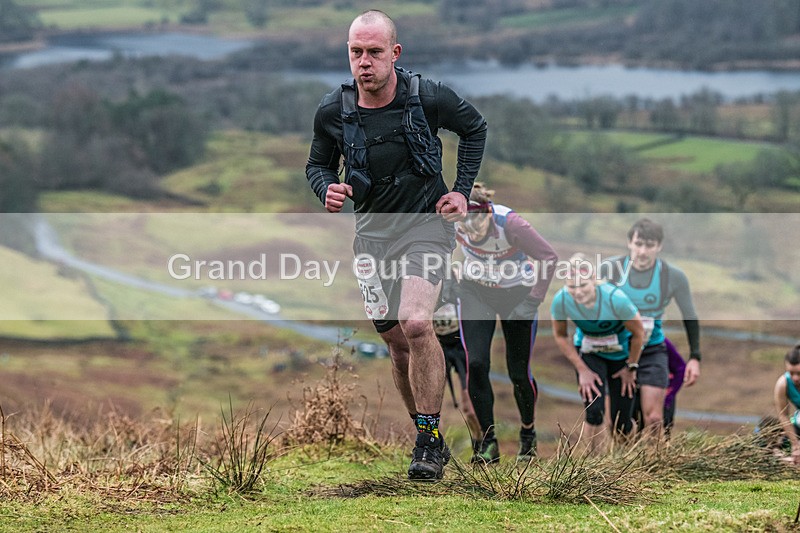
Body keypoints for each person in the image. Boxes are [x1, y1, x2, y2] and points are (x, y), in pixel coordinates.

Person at [305, 10, 487, 481]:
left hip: (426, 225)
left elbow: (475, 128)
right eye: (356, 52)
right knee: (394, 340)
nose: (364, 62)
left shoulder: (427, 96)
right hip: (372, 235)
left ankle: (426, 441)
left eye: (374, 52)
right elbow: (317, 165)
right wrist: (326, 187)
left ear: (395, 53)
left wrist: (462, 190)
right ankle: (431, 437)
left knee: (417, 322)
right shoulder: (334, 110)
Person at [456, 183, 558, 464]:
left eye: (476, 223)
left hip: (517, 295)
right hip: (477, 291)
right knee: (475, 364)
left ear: (488, 213)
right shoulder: (453, 218)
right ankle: (488, 443)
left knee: (518, 372)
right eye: (464, 225)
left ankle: (528, 434)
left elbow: (549, 258)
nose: (471, 232)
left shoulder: (510, 224)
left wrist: (532, 301)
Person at [603, 218, 702, 438]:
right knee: (616, 423)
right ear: (630, 242)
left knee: (655, 420)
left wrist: (695, 357)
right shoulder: (610, 270)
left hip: (652, 350)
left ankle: (656, 469)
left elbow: (690, 315)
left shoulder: (673, 276)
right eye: (638, 244)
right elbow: (588, 307)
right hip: (618, 351)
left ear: (659, 246)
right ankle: (623, 470)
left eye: (649, 245)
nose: (643, 251)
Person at [551, 254, 646, 453]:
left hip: (621, 357)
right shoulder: (560, 300)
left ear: (594, 280)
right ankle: (592, 466)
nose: (578, 292)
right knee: (594, 412)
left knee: (621, 423)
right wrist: (582, 370)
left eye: (583, 285)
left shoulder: (615, 299)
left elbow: (639, 333)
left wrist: (632, 367)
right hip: (590, 355)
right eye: (572, 286)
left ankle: (629, 461)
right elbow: (560, 336)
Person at [432, 272, 482, 446]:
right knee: (430, 402)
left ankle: (480, 443)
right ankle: (431, 442)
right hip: (441, 349)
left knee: (469, 409)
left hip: (462, 350)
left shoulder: (458, 293)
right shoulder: (426, 293)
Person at [631, 337, 686, 437]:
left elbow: (681, 368)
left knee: (658, 426)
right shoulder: (624, 339)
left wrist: (669, 395)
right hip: (634, 395)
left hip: (659, 395)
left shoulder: (661, 342)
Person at [772, 343, 800, 465]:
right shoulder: (782, 384)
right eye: (791, 373)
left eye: (799, 373)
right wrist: (795, 445)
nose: (795, 378)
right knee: (774, 446)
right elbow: (783, 415)